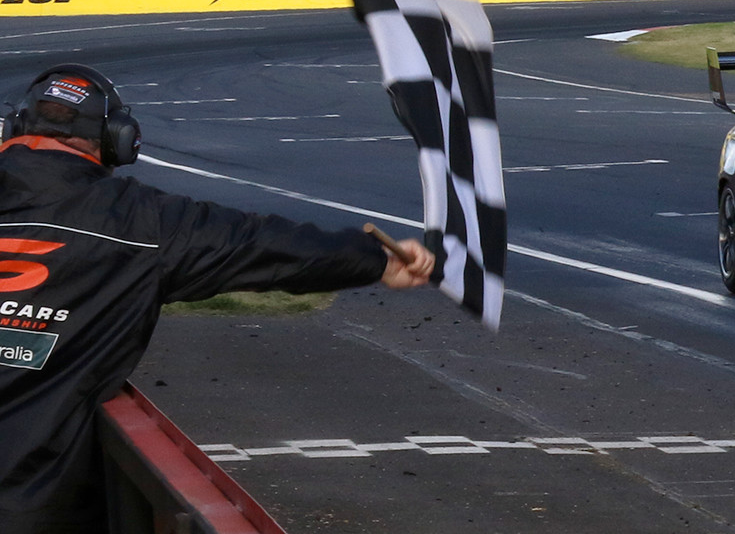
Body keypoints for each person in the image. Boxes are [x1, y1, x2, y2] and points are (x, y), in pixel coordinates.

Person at [0, 64, 435, 533]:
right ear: (118, 141)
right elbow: (261, 244)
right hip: (29, 500)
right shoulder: (147, 224)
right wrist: (373, 259)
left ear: (14, 127)